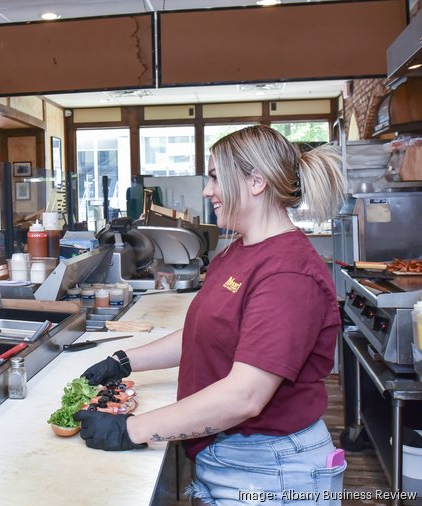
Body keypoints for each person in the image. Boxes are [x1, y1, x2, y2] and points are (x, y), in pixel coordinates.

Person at [75, 125, 347, 505]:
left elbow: (245, 396)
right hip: (232, 459)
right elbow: (202, 332)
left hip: (273, 471)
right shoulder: (237, 251)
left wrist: (133, 429)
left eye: (216, 177)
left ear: (256, 181)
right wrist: (124, 361)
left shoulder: (288, 273)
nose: (207, 191)